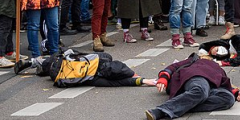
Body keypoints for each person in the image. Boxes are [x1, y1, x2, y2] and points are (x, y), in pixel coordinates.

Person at [145, 54, 240, 120]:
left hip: (213, 86)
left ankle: (182, 106)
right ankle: (161, 111)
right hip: (196, 76)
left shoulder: (217, 68)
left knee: (228, 99)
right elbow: (172, 67)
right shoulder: (193, 60)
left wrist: (234, 92)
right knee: (200, 91)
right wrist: (163, 78)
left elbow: (223, 82)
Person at [20, 48, 157, 88]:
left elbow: (78, 54)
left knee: (67, 54)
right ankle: (39, 67)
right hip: (59, 76)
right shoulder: (94, 79)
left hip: (59, 64)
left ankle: (35, 62)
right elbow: (119, 82)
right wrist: (141, 80)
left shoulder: (97, 60)